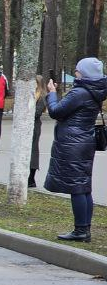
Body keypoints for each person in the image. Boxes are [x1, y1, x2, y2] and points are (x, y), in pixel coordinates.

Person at [44, 56, 106, 241]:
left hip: (72, 143)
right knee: (84, 187)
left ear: (84, 73)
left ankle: (80, 230)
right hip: (85, 141)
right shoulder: (94, 91)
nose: (76, 72)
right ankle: (84, 229)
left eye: (78, 69)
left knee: (77, 188)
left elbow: (56, 111)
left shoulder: (79, 92)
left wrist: (52, 93)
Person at [29, 77, 47, 189]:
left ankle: (31, 178)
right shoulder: (31, 95)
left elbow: (37, 113)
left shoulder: (41, 97)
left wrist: (27, 113)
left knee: (33, 150)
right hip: (27, 125)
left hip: (34, 125)